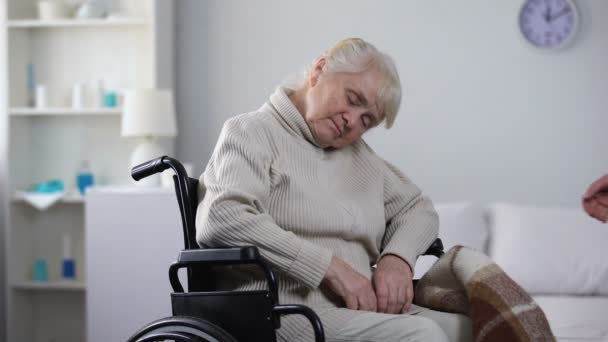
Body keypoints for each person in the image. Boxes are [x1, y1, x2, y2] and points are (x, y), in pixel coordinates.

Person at [196, 38, 472, 342]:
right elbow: (221, 217)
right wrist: (329, 268)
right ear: (319, 70)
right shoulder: (251, 133)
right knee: (423, 336)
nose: (352, 122)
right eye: (353, 99)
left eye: (367, 120)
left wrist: (398, 259)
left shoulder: (361, 158)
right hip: (283, 312)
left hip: (361, 309)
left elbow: (418, 208)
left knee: (473, 328)